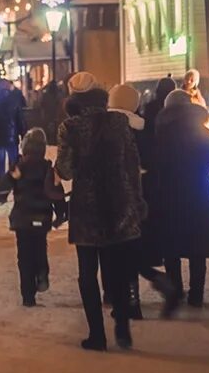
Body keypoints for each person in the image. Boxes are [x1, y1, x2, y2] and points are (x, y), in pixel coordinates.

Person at [56, 86, 146, 352]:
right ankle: (122, 324)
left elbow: (66, 170)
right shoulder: (120, 123)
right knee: (117, 266)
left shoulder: (70, 127)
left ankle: (97, 334)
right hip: (119, 202)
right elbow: (132, 164)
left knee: (87, 273)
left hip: (87, 206)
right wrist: (137, 199)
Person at [108, 83, 181, 320]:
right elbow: (155, 162)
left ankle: (133, 301)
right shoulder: (145, 128)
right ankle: (152, 284)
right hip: (143, 196)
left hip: (117, 194)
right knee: (134, 247)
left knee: (120, 250)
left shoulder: (108, 127)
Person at [154, 88, 209, 307]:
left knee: (171, 246)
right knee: (197, 246)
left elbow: (157, 163)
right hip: (198, 190)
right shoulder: (204, 132)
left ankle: (176, 290)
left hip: (170, 192)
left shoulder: (162, 134)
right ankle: (196, 295)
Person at [0, 128, 67, 307]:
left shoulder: (19, 169)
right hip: (42, 217)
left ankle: (28, 295)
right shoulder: (49, 170)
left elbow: (0, 191)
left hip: (23, 218)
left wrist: (1, 192)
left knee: (24, 255)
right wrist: (61, 214)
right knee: (40, 247)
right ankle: (42, 272)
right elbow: (57, 194)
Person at [0, 79, 26, 185]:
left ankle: (2, 187)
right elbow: (20, 120)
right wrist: (23, 135)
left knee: (0, 166)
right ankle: (15, 186)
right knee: (13, 165)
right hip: (12, 137)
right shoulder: (14, 102)